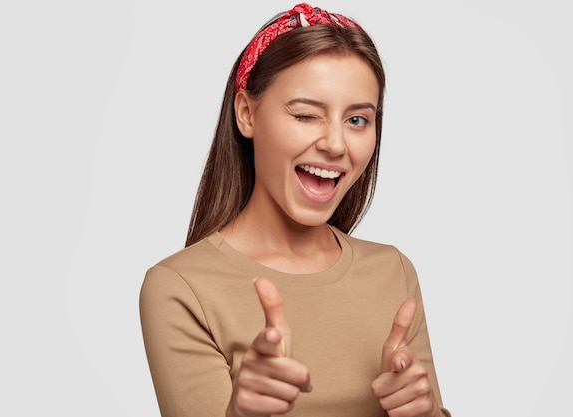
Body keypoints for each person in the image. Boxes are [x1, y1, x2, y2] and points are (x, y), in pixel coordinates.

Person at [139, 3, 451, 416]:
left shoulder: (394, 272)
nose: (336, 145)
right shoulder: (180, 287)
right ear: (246, 114)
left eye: (357, 120)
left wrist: (424, 412)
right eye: (306, 114)